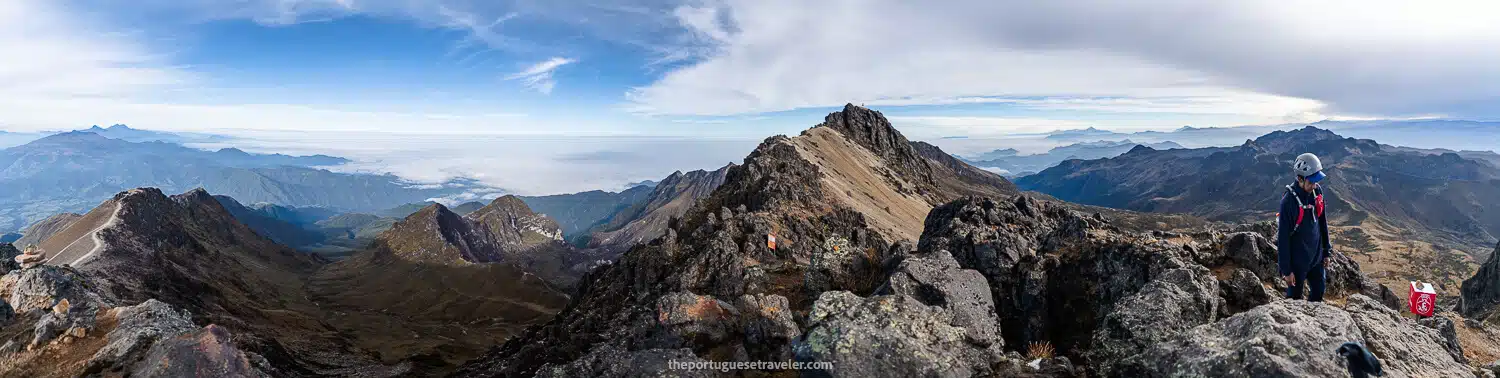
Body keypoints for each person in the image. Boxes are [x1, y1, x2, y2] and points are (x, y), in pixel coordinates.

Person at [1278, 153, 1332, 301]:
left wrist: (1326, 251)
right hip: (1297, 263)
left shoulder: (1317, 192)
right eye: (1311, 182)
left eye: (1316, 181)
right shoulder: (1288, 202)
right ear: (1300, 178)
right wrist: (1286, 270)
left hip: (1316, 258)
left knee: (1318, 292)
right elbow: (1282, 239)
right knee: (1294, 300)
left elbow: (1322, 221)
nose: (1314, 185)